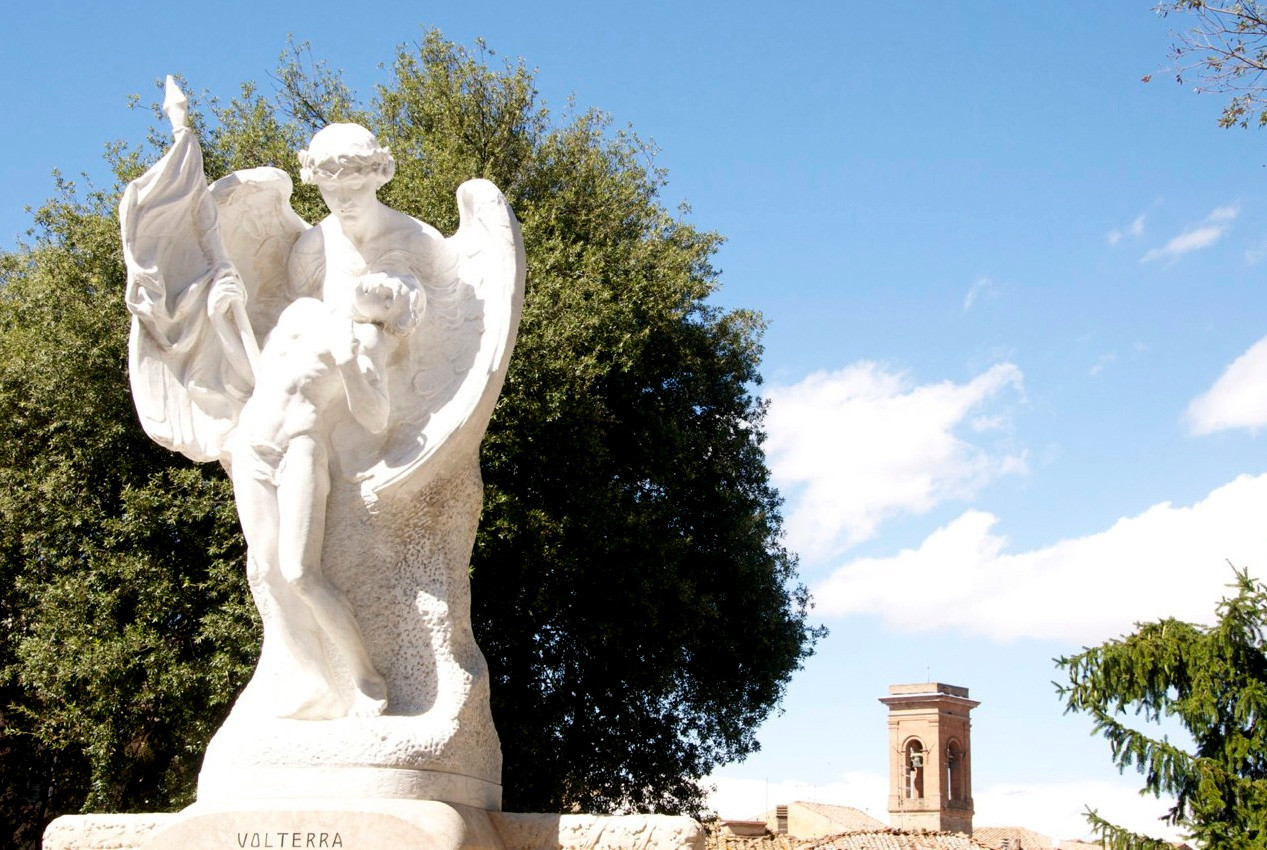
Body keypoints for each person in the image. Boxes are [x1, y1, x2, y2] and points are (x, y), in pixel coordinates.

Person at [230, 272, 423, 718]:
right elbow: (263, 378)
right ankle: (314, 681)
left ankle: (365, 677)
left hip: (298, 447)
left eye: (391, 294)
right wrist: (226, 321)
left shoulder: (367, 342)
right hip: (250, 446)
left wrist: (346, 361)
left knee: (299, 571)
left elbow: (375, 417)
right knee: (264, 571)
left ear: (394, 318)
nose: (381, 284)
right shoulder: (303, 311)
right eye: (383, 278)